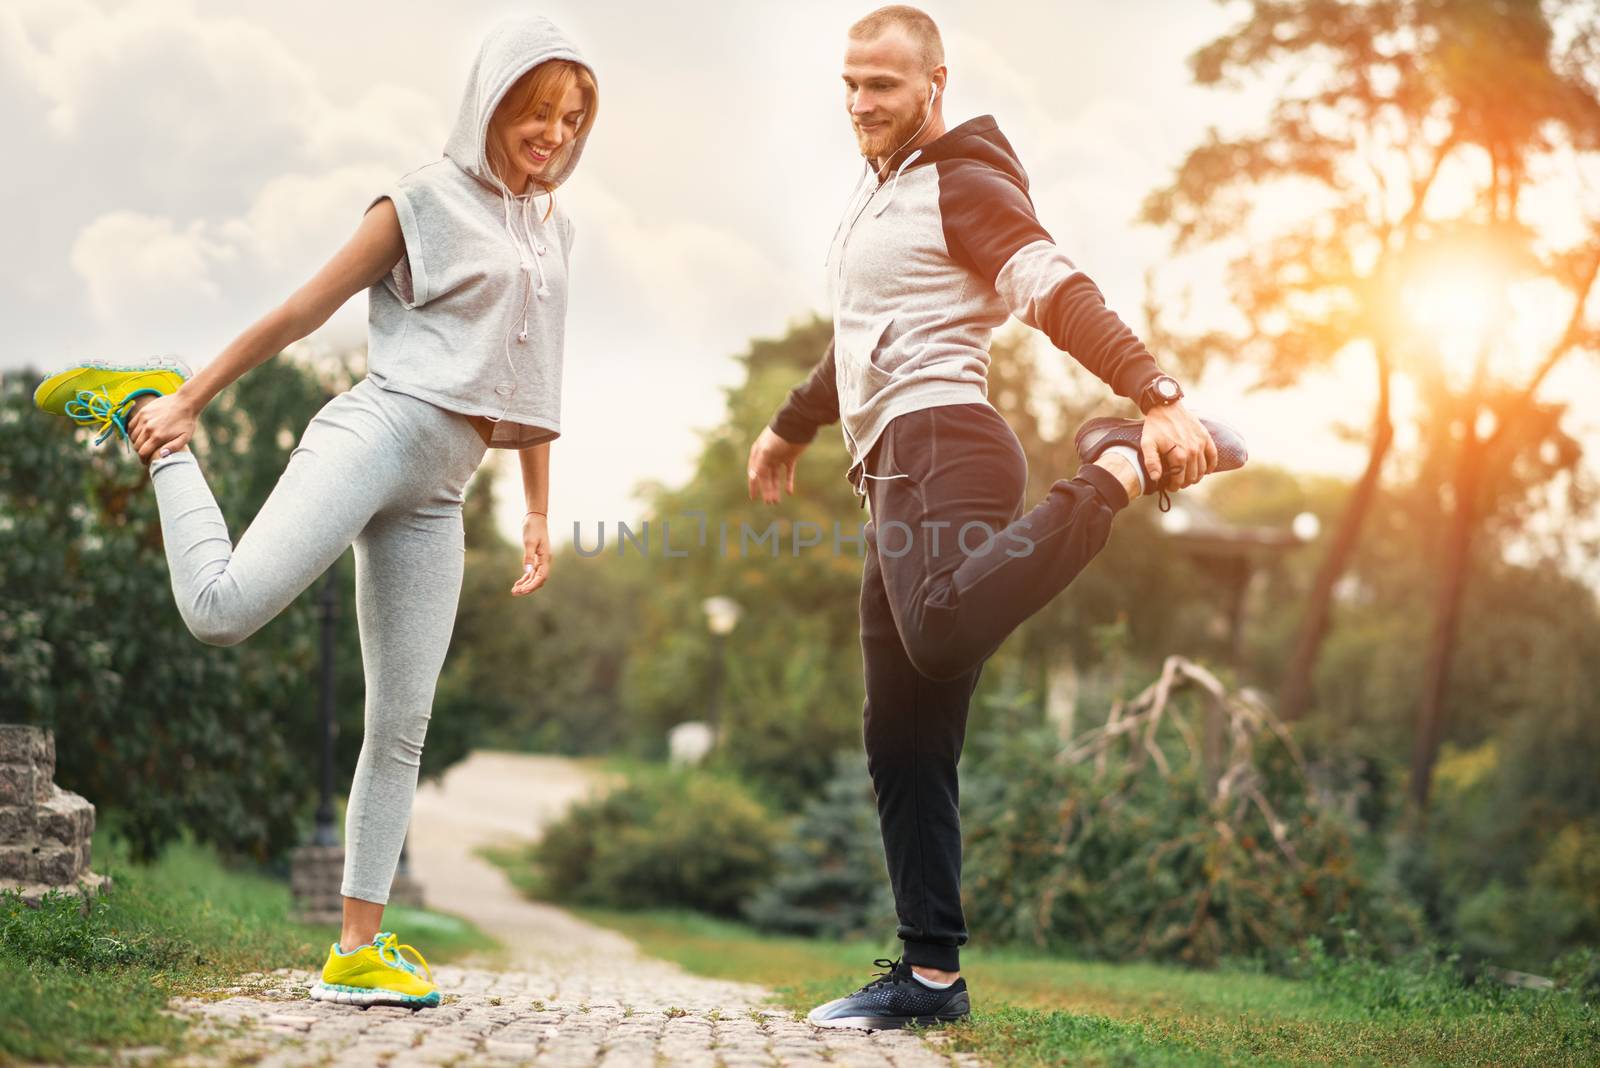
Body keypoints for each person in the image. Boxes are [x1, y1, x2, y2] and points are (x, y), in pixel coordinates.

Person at [32, 15, 598, 1009]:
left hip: (442, 492)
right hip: (374, 434)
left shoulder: (553, 231)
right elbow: (305, 308)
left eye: (570, 117)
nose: (551, 133)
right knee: (219, 610)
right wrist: (191, 399)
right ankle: (143, 408)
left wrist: (539, 511)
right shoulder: (422, 198)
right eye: (533, 111)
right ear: (492, 103)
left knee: (401, 725)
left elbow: (533, 383)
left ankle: (353, 952)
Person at [744, 5, 1247, 1030]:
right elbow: (859, 344)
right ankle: (929, 978)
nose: (859, 102)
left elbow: (1053, 288)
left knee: (937, 634)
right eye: (848, 83)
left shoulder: (963, 185)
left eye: (881, 83)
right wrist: (788, 428)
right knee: (901, 733)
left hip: (950, 446)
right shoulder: (877, 195)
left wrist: (1153, 394)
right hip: (889, 467)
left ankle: (1105, 473)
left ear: (934, 80)